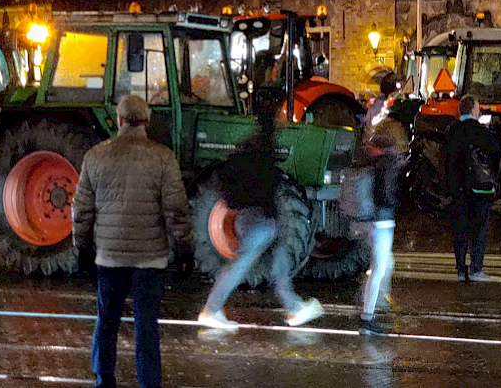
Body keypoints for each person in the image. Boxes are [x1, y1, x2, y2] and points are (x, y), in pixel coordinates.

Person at [72, 94, 194, 388]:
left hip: (109, 257)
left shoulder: (95, 156)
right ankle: (149, 383)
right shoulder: (163, 157)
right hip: (150, 261)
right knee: (146, 327)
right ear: (147, 122)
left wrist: (83, 249)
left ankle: (104, 380)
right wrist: (184, 250)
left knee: (107, 322)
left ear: (119, 120)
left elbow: (82, 210)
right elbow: (176, 211)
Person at [197, 107, 324, 330]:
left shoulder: (248, 147)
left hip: (251, 216)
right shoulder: (263, 150)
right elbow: (265, 183)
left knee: (268, 262)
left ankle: (293, 307)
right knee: (250, 263)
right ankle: (212, 309)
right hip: (260, 217)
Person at [356, 120, 407, 335]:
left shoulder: (367, 159)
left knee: (387, 264)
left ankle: (372, 300)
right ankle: (367, 318)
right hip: (382, 222)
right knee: (379, 269)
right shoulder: (387, 163)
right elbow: (386, 195)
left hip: (368, 221)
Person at [445, 95, 501, 282]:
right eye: (478, 108)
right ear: (473, 110)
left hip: (458, 189)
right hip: (478, 188)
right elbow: (496, 152)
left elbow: (446, 161)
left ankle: (461, 270)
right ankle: (476, 269)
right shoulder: (480, 131)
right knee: (479, 228)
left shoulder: (452, 131)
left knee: (460, 229)